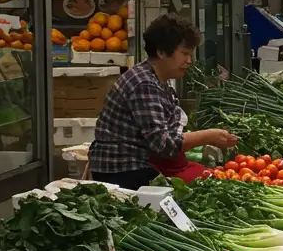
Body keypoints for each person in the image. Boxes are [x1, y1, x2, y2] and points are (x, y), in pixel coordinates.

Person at [89, 14, 238, 190]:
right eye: (184, 54)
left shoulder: (159, 81)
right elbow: (163, 145)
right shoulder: (144, 84)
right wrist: (207, 136)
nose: (189, 61)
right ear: (161, 52)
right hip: (125, 171)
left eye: (190, 54)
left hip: (138, 166)